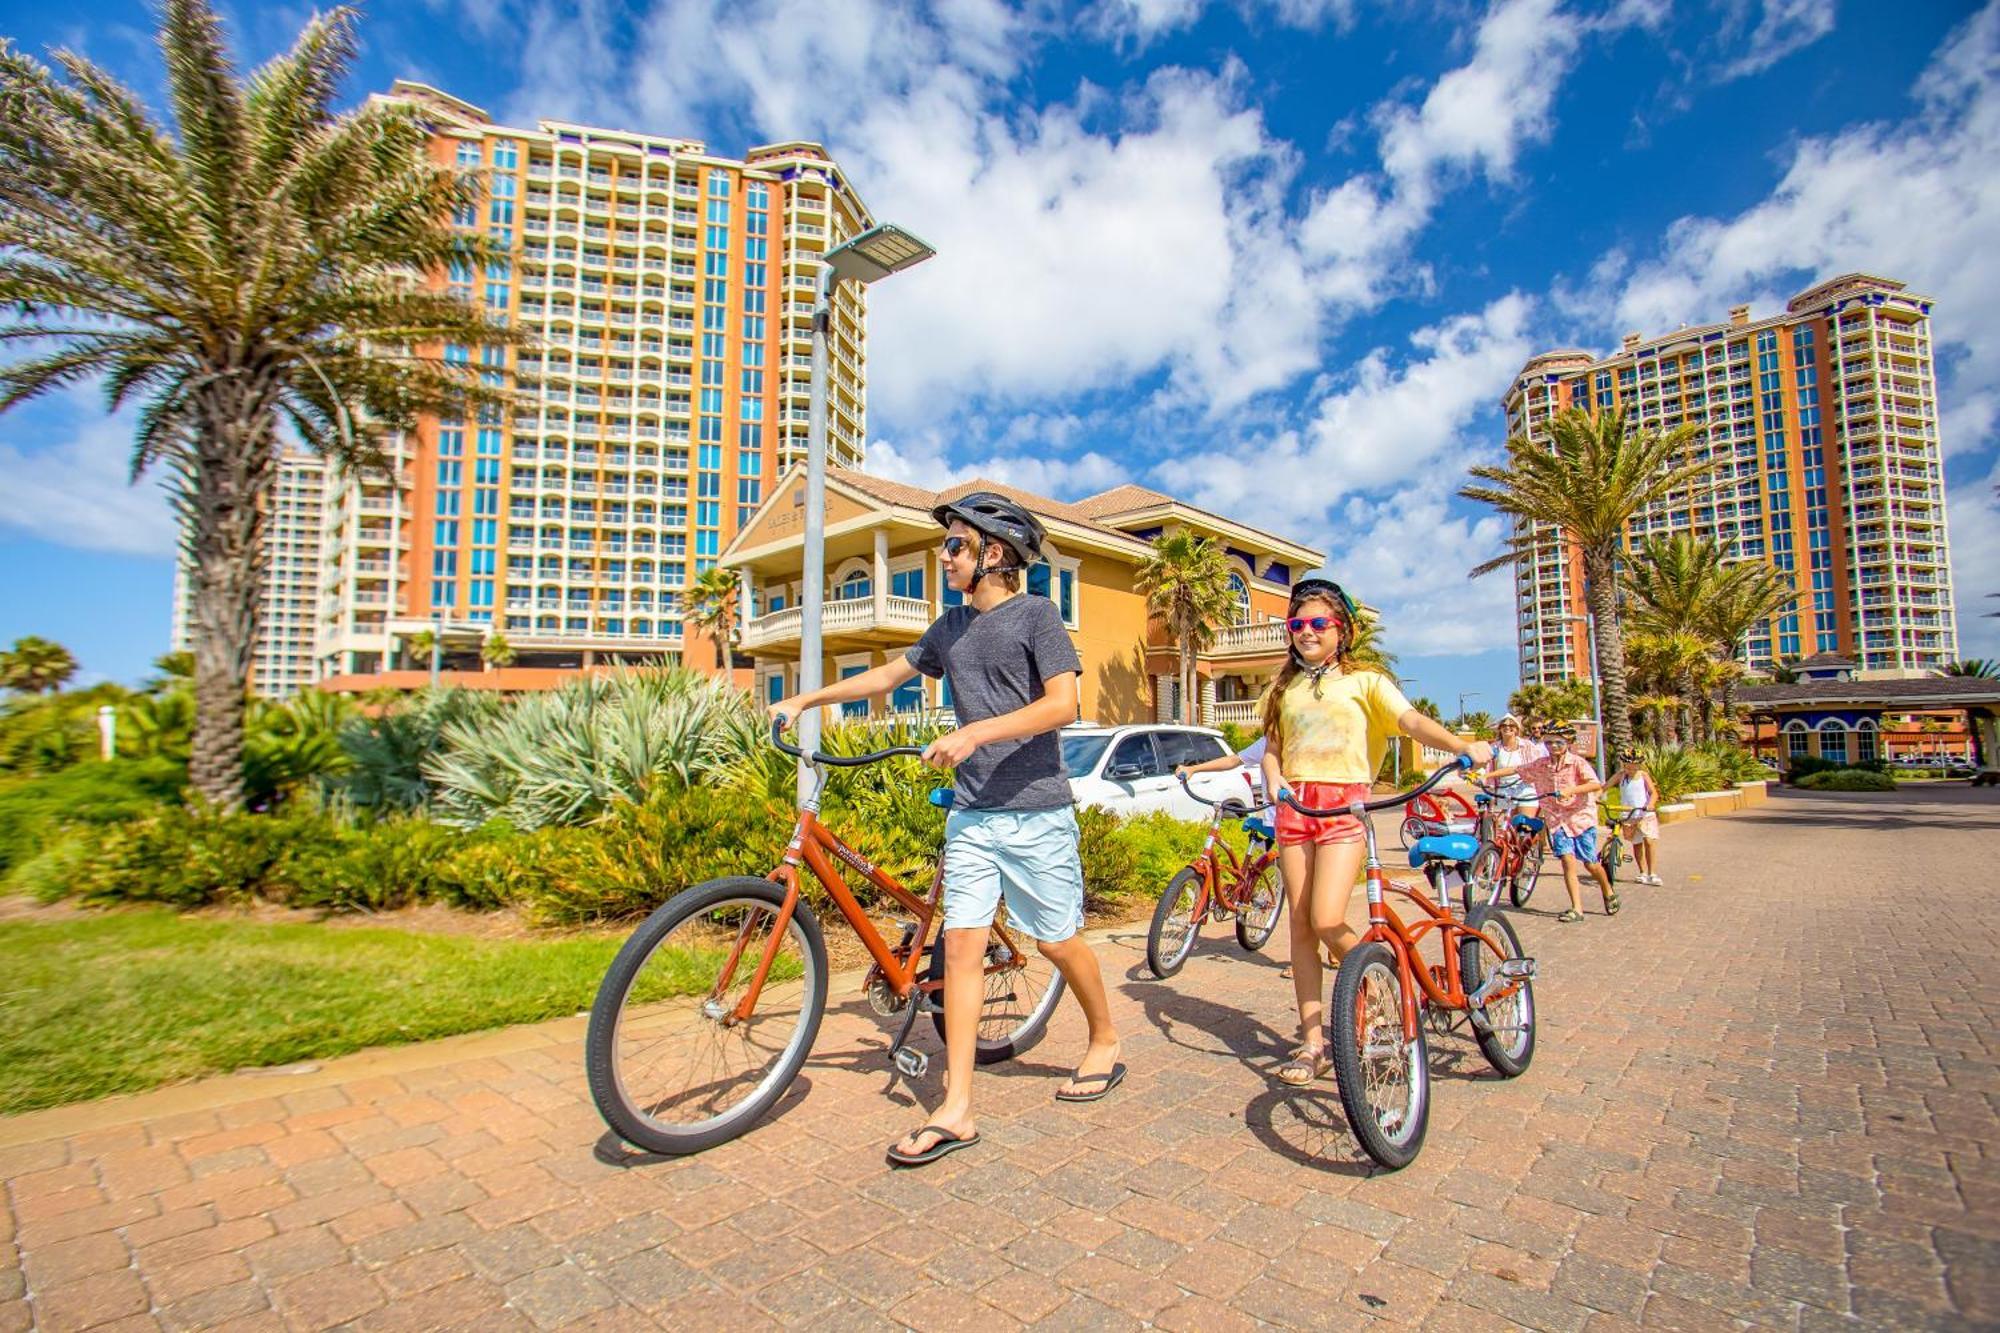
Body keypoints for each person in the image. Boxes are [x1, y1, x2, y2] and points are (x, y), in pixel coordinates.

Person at [768, 492, 1122, 1169]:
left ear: (993, 553)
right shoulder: (949, 626)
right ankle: (957, 1105)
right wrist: (807, 697)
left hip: (1037, 809)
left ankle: (1104, 1035)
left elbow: (1063, 702)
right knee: (958, 950)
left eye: (956, 544)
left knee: (1056, 940)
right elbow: (888, 673)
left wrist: (975, 732)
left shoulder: (1037, 615)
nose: (945, 555)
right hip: (973, 814)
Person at [1257, 578, 1491, 1085]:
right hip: (1295, 807)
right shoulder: (1284, 687)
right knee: (1298, 928)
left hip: (1344, 807)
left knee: (1325, 917)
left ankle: (1377, 981)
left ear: (1343, 630)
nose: (1306, 632)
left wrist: (1460, 745)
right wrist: (1274, 782)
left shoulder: (1367, 682)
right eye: (1297, 624)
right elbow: (1273, 747)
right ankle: (1313, 1042)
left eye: (1319, 623)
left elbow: (1410, 721)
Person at [1486, 724, 1617, 923]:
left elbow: (1595, 783)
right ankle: (1577, 908)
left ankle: (1607, 890)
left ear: (1568, 743)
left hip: (1580, 817)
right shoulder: (1541, 764)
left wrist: (1572, 790)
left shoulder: (1577, 763)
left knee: (1590, 863)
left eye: (1558, 742)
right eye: (1549, 742)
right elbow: (1517, 769)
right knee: (1566, 860)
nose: (1553, 746)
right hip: (1556, 819)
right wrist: (1486, 775)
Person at [1612, 750, 1663, 885]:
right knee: (1637, 844)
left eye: (1634, 766)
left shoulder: (1643, 776)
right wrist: (1596, 796)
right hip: (1629, 814)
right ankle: (1642, 872)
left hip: (1645, 814)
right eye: (1627, 766)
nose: (1631, 769)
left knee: (1649, 841)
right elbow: (1604, 787)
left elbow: (1653, 793)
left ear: (1639, 766)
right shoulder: (1621, 776)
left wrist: (1650, 804)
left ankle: (1652, 873)